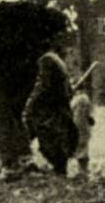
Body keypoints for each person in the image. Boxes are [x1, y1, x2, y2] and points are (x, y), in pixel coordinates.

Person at [0, 0, 71, 180]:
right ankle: (26, 159)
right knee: (18, 112)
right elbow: (60, 20)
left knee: (1, 113)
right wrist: (41, 41)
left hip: (3, 70)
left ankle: (10, 165)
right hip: (29, 70)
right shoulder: (33, 10)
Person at [23, 33, 78, 176]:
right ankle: (58, 170)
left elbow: (43, 86)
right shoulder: (56, 59)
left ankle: (56, 170)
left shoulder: (46, 60)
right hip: (59, 107)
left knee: (49, 141)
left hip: (50, 109)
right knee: (54, 140)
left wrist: (30, 104)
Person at [71, 92, 94, 177]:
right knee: (82, 147)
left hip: (78, 127)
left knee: (81, 147)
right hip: (81, 127)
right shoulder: (84, 99)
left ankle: (82, 171)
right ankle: (83, 170)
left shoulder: (79, 99)